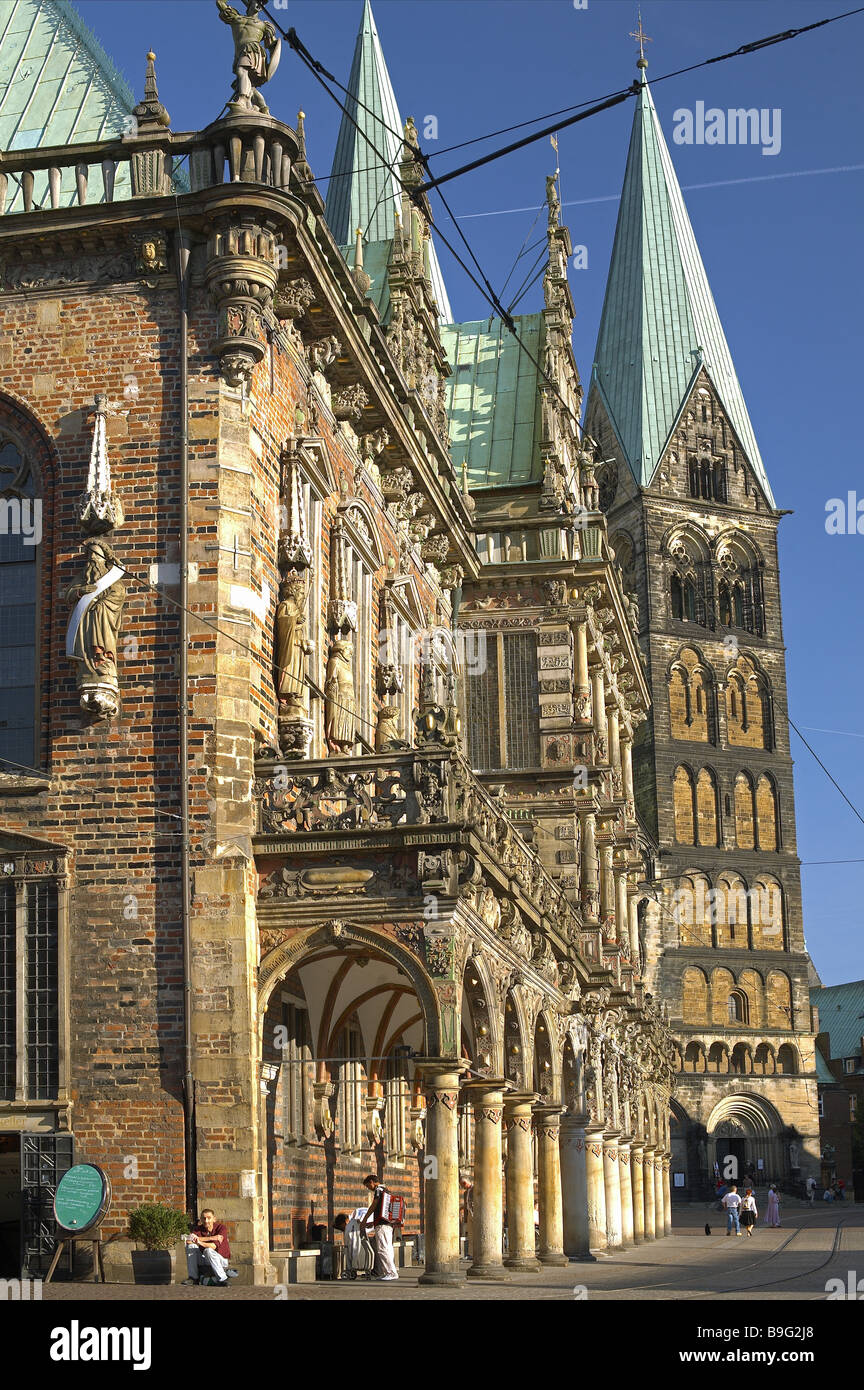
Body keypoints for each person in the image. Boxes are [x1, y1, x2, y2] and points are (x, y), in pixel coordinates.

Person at [183, 1209, 237, 1286]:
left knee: (208, 1250)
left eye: (209, 1218)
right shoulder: (198, 1229)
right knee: (191, 1246)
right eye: (204, 1218)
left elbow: (213, 1246)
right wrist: (211, 1238)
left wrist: (199, 1241)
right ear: (201, 1219)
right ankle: (193, 1278)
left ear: (214, 1218)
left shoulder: (221, 1228)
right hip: (205, 1258)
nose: (206, 1220)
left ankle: (223, 1279)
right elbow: (188, 1241)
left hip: (220, 1259)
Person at [361, 1175, 399, 1282]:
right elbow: (382, 1212)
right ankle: (388, 1272)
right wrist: (372, 1223)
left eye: (368, 1185)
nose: (368, 1188)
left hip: (383, 1226)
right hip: (387, 1225)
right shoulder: (386, 1190)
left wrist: (364, 1220)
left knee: (383, 1249)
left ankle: (391, 1272)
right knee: (388, 1248)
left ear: (372, 1182)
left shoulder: (378, 1190)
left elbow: (374, 1205)